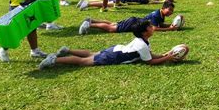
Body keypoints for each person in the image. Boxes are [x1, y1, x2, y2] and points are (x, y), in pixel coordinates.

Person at [39, 19, 181, 69]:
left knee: (91, 53)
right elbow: (150, 61)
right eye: (150, 27)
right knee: (84, 61)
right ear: (144, 32)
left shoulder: (143, 41)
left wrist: (163, 55)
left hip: (117, 49)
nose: (152, 28)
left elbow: (150, 55)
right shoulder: (142, 44)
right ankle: (55, 59)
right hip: (115, 55)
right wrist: (166, 58)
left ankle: (67, 50)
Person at [78, 1, 178, 34]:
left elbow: (159, 25)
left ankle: (91, 20)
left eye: (172, 11)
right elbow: (155, 28)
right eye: (169, 10)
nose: (170, 12)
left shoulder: (160, 14)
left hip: (134, 20)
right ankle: (89, 24)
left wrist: (171, 25)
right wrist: (169, 29)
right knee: (112, 28)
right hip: (133, 24)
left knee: (113, 24)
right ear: (163, 8)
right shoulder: (157, 15)